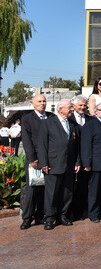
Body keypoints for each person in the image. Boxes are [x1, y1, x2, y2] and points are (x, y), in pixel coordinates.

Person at [37, 99, 81, 230]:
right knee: (52, 193)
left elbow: (76, 145)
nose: (72, 110)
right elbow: (42, 144)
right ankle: (49, 218)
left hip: (69, 164)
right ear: (60, 109)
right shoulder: (48, 123)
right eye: (69, 107)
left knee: (67, 193)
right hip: (53, 164)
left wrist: (77, 162)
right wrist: (43, 162)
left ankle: (63, 215)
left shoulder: (73, 124)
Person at [20, 95, 47, 229]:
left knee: (44, 189)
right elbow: (26, 140)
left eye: (44, 101)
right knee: (32, 189)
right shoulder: (27, 119)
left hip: (49, 159)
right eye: (39, 101)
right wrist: (32, 159)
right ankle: (27, 218)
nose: (42, 103)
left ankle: (40, 216)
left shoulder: (51, 117)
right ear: (33, 104)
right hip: (35, 159)